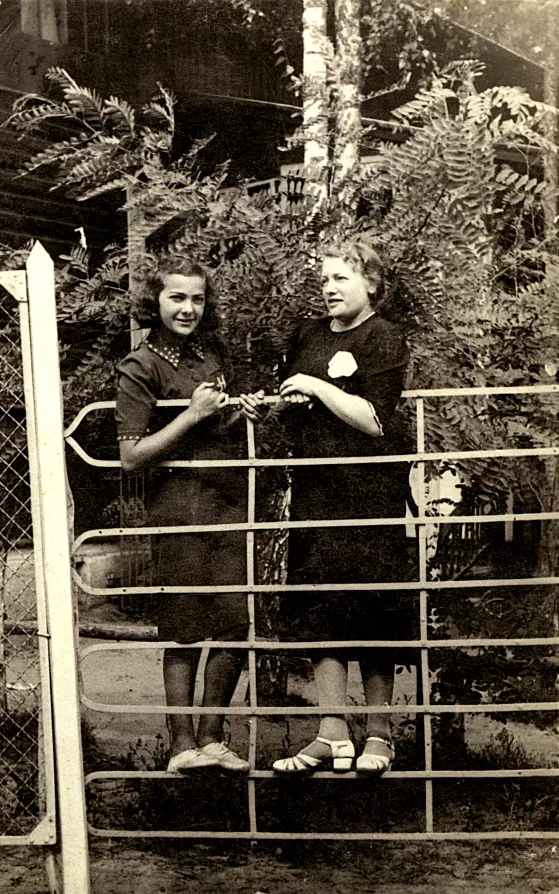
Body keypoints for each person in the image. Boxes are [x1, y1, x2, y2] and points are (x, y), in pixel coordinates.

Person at [116, 256, 263, 774]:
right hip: (177, 508)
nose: (188, 308)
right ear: (154, 301)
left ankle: (212, 739)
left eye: (197, 298)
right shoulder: (140, 366)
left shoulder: (212, 353)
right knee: (182, 627)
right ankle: (181, 746)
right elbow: (131, 454)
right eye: (177, 297)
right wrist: (193, 414)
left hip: (227, 503)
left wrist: (233, 411)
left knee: (234, 622)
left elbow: (214, 419)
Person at [271, 241, 413, 776]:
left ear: (371, 284)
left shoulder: (385, 337)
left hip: (369, 492)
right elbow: (296, 402)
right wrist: (293, 399)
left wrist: (316, 385)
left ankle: (379, 733)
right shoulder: (306, 336)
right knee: (321, 605)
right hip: (315, 489)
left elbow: (376, 419)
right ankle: (331, 732)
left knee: (371, 609)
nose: (329, 288)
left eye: (342, 279)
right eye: (325, 279)